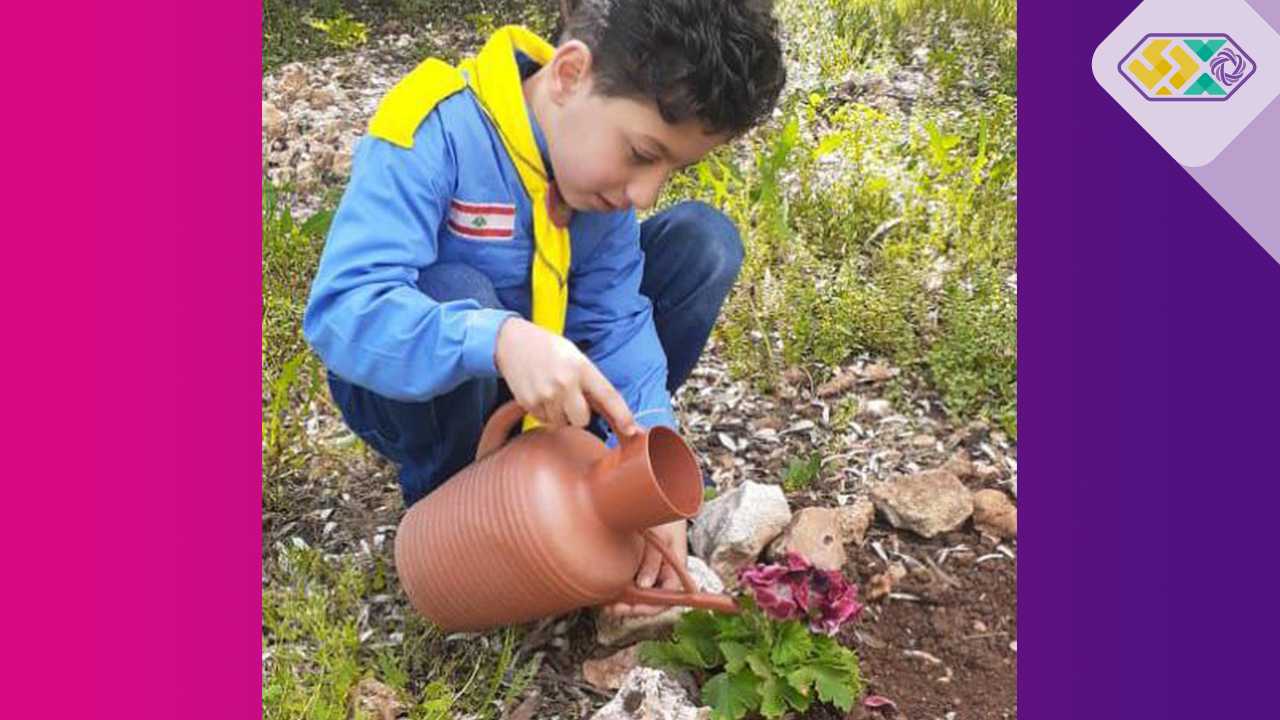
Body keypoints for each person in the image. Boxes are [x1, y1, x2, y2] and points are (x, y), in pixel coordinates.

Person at [304, 0, 786, 617]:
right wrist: (496, 338)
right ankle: (452, 502)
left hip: (546, 376)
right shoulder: (434, 127)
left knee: (704, 243)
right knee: (461, 290)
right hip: (415, 381)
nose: (645, 193)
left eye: (673, 168)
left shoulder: (597, 182)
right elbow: (344, 310)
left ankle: (592, 471)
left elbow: (615, 321)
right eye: (642, 154)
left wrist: (647, 463)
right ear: (569, 75)